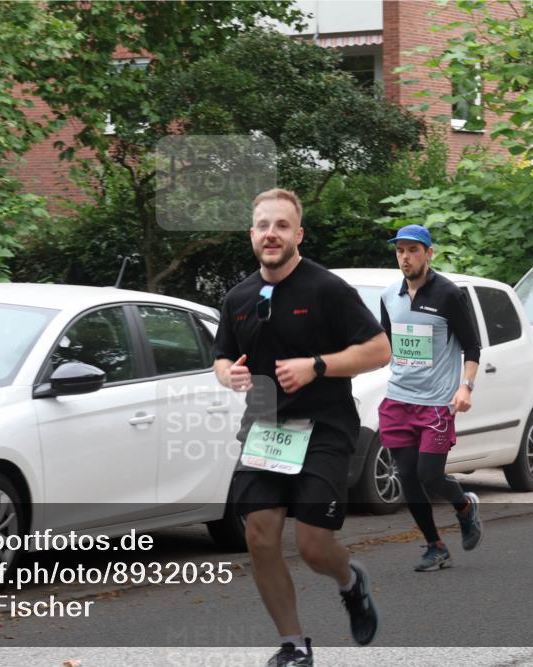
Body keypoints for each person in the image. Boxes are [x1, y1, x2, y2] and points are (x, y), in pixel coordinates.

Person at [213, 188, 391, 666]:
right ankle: (293, 645)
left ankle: (351, 582)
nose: (272, 234)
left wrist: (318, 365)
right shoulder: (240, 297)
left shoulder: (328, 290)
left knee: (312, 545)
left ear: (299, 234)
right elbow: (222, 356)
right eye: (264, 226)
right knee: (260, 534)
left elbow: (379, 350)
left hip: (324, 428)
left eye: (282, 226)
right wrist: (228, 373)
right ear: (252, 234)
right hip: (266, 426)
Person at [378, 224, 484, 572]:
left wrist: (465, 386)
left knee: (429, 476)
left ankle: (465, 505)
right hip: (398, 400)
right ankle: (435, 546)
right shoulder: (388, 296)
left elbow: (471, 346)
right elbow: (386, 347)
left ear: (428, 253)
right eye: (400, 251)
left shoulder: (448, 294)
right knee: (407, 476)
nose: (405, 257)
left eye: (413, 250)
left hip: (437, 403)